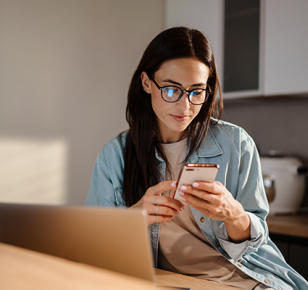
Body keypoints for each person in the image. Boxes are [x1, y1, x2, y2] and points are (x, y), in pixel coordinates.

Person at [85, 27, 308, 290]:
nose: (185, 106)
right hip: (172, 283)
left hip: (246, 280)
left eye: (196, 91)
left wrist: (233, 215)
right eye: (171, 90)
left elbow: (255, 242)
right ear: (146, 83)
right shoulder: (115, 156)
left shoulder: (237, 144)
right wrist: (136, 216)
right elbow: (92, 244)